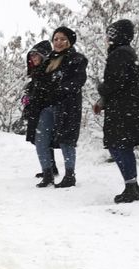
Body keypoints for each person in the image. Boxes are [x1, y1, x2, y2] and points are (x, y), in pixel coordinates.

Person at [93, 19, 139, 203]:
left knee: (120, 145)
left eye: (111, 34)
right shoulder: (125, 53)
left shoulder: (120, 53)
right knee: (119, 145)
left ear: (120, 35)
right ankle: (132, 185)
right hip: (126, 106)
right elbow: (124, 81)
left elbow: (116, 82)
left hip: (123, 108)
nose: (107, 38)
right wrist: (103, 100)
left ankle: (131, 187)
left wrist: (102, 89)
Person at [34, 27, 88, 188]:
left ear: (69, 42)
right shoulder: (48, 59)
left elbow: (78, 81)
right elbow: (40, 80)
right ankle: (48, 174)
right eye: (56, 39)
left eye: (63, 39)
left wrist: (60, 89)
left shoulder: (77, 59)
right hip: (47, 106)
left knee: (66, 140)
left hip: (67, 106)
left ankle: (69, 175)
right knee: (41, 140)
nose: (58, 42)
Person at [22, 40, 59, 182]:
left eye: (36, 55)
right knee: (43, 141)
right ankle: (50, 167)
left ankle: (49, 170)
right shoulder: (37, 73)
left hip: (44, 111)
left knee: (42, 141)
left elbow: (45, 92)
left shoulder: (46, 72)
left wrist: (33, 99)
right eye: (31, 56)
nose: (33, 59)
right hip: (38, 110)